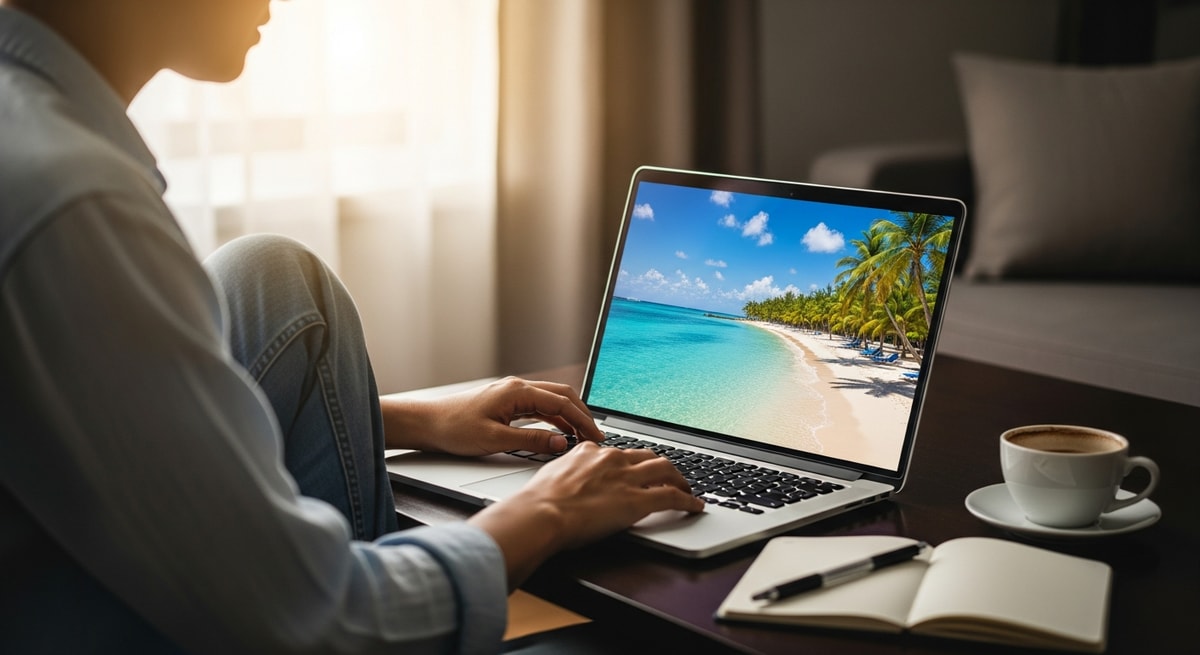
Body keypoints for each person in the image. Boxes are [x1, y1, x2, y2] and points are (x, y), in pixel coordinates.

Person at [0, 1, 705, 652]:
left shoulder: (30, 121)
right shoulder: (74, 201)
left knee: (275, 276)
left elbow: (118, 419)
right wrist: (550, 508)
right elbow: (317, 615)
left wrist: (412, 419)